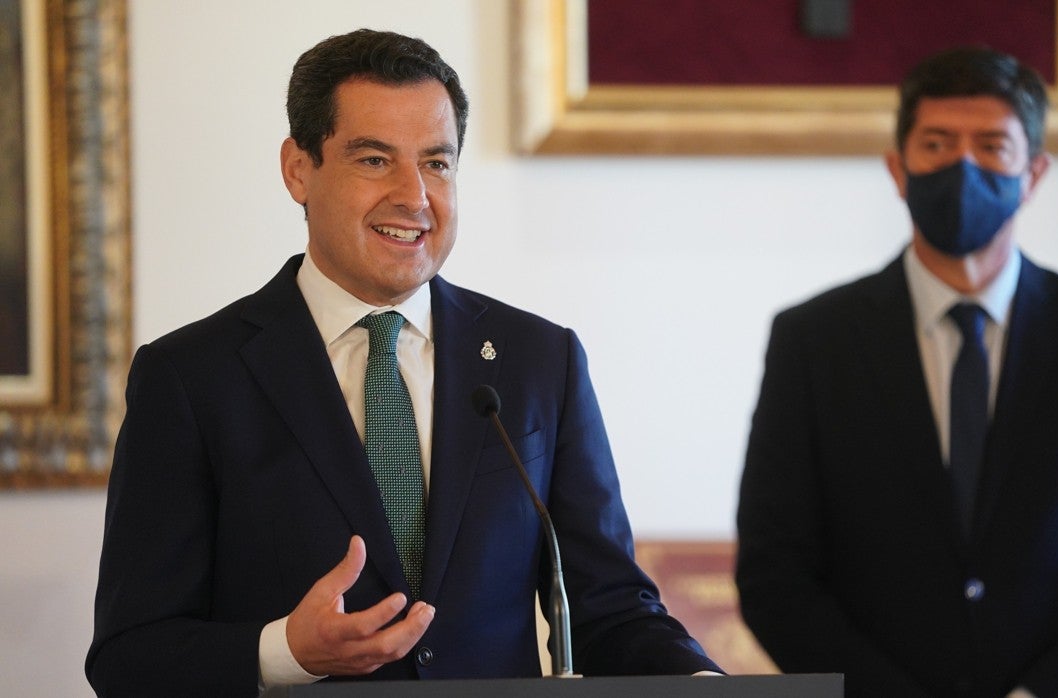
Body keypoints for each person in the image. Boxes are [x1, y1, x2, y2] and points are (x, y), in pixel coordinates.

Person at [86, 29, 720, 696]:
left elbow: (611, 608)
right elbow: (131, 657)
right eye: (373, 160)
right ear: (299, 168)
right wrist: (287, 652)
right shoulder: (191, 378)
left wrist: (705, 682)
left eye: (437, 163)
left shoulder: (538, 361)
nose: (415, 197)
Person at [735, 47, 1058, 698]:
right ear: (898, 168)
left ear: (1033, 174)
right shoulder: (813, 340)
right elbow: (775, 574)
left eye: (992, 146)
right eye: (938, 144)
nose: (963, 166)